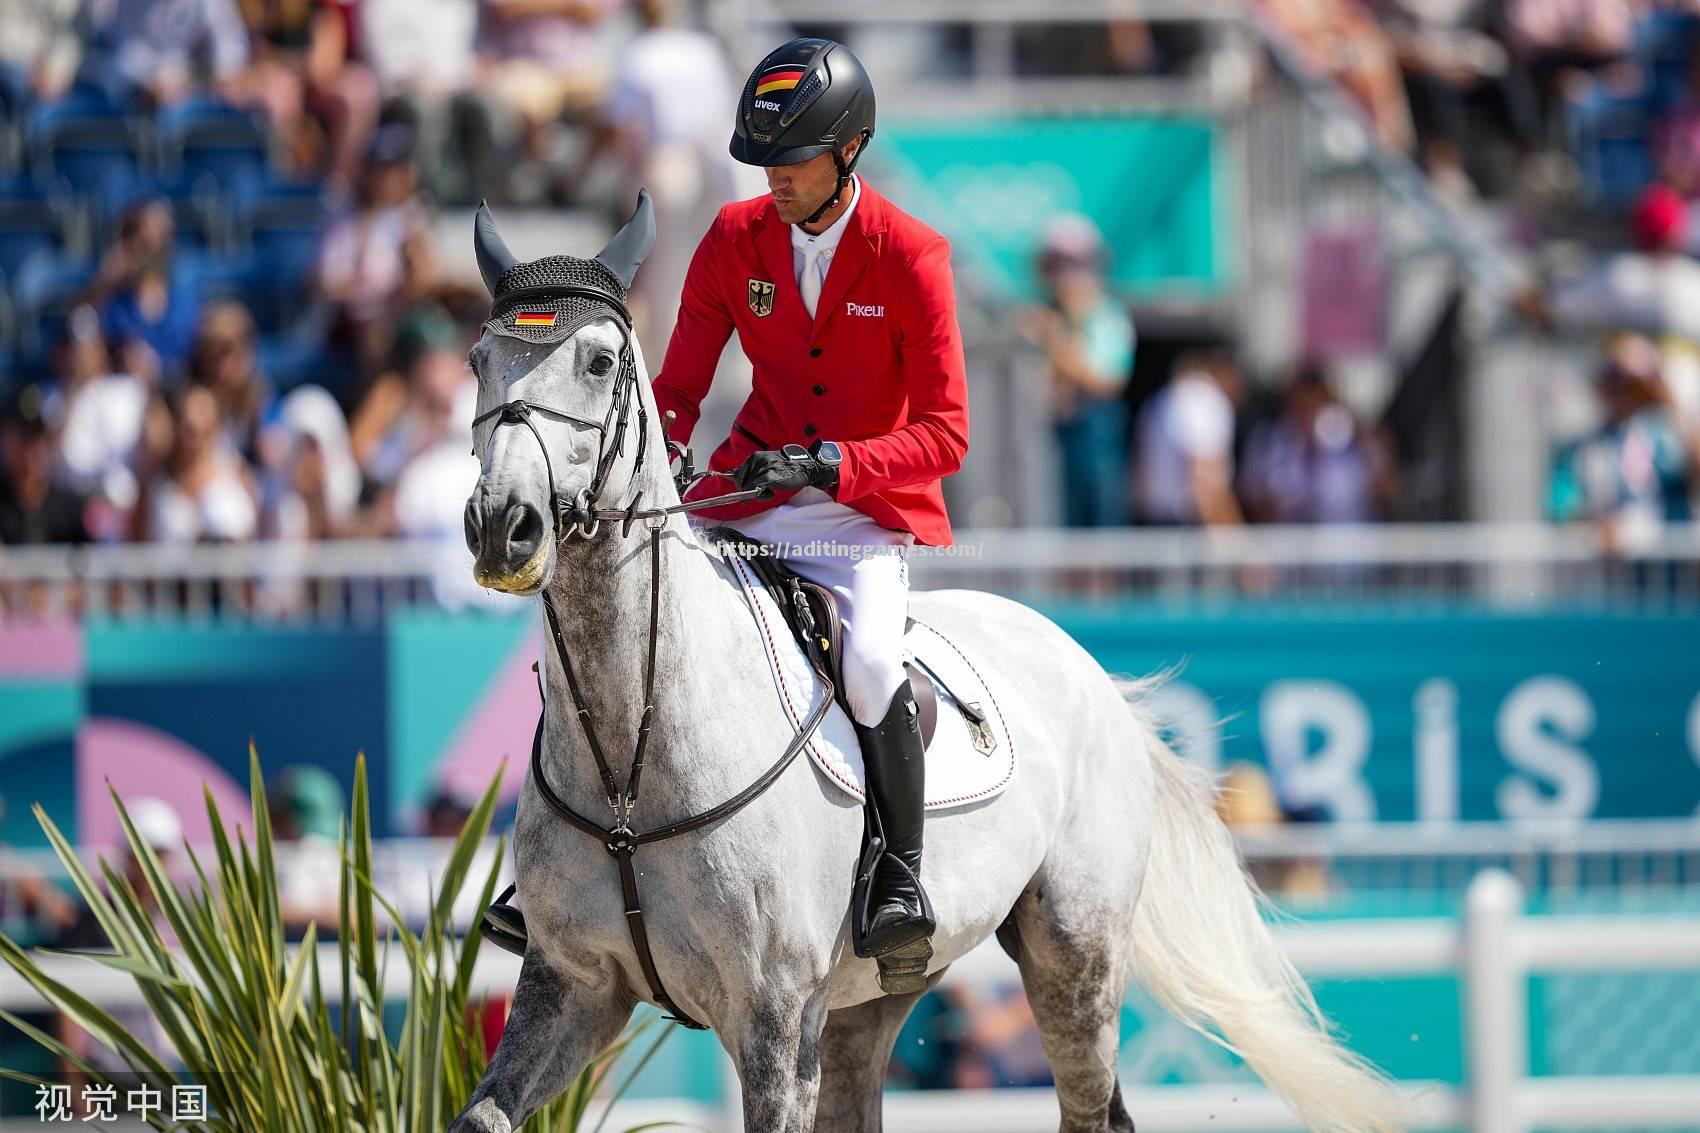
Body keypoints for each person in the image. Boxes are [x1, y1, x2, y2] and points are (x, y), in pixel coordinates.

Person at [651, 37, 969, 993]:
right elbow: (678, 387)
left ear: (850, 151)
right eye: (766, 165)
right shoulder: (733, 238)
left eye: (792, 164)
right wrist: (664, 456)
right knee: (632, 615)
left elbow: (947, 433)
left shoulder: (913, 256)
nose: (774, 182)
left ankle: (900, 875)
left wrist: (839, 462)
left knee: (872, 666)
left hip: (863, 515)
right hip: (751, 495)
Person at [1021, 213, 1136, 527]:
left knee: (1099, 538)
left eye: (1070, 266)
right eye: (1055, 266)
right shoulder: (1041, 317)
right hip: (1048, 448)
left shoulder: (1106, 317)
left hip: (1095, 450)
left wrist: (1056, 342)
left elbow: (1108, 381)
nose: (1062, 277)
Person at [1133, 350, 1244, 526]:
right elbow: (1203, 474)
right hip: (1189, 523)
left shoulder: (1160, 399)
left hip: (1152, 520)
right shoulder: (1203, 398)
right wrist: (1231, 538)